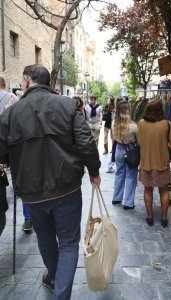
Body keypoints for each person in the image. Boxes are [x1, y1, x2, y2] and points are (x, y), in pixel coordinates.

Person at [0, 64, 101, 300]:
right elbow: (86, 143)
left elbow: (1, 152)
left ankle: (56, 278)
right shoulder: (67, 105)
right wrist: (94, 171)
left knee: (45, 238)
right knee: (68, 243)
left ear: (26, 81)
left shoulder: (10, 113)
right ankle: (60, 288)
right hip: (66, 188)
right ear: (47, 82)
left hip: (32, 191)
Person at [137, 99, 171, 227]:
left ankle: (150, 217)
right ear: (161, 110)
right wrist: (164, 145)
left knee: (147, 190)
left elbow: (139, 142)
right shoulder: (165, 124)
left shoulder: (141, 124)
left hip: (146, 163)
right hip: (162, 164)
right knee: (164, 191)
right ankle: (164, 218)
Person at [0, 76, 32, 232]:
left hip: (3, 149)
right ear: (5, 84)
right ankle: (27, 218)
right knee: (22, 181)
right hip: (13, 146)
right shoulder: (12, 98)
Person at [112, 100, 138, 209]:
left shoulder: (114, 123)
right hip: (130, 150)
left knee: (119, 173)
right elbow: (139, 140)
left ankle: (116, 198)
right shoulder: (133, 126)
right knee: (131, 176)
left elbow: (113, 138)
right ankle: (128, 202)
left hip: (119, 148)